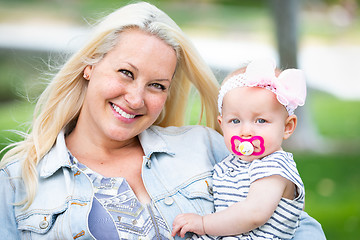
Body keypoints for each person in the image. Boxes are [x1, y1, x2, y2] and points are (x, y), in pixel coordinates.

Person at [0, 2, 325, 239]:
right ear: (90, 67)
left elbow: (299, 229)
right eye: (126, 73)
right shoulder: (17, 180)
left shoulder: (206, 146)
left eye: (157, 85)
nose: (136, 98)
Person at [172, 58, 315, 239]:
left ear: (287, 127)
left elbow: (254, 213)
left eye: (261, 121)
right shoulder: (230, 163)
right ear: (222, 124)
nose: (246, 131)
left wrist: (203, 223)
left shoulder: (275, 167)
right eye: (235, 121)